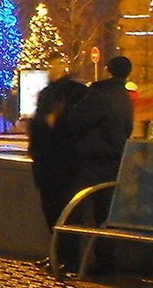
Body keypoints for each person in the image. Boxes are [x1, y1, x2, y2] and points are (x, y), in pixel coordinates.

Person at [58, 55, 135, 229]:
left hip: (92, 160)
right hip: (114, 160)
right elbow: (127, 128)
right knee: (105, 214)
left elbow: (77, 122)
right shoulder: (124, 96)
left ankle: (68, 253)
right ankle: (105, 255)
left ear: (107, 70)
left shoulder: (101, 94)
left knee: (74, 209)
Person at [30, 69, 88, 235]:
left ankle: (60, 255)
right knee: (67, 215)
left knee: (55, 213)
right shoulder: (78, 100)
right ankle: (62, 256)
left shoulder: (49, 118)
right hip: (66, 167)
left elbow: (38, 140)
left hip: (51, 168)